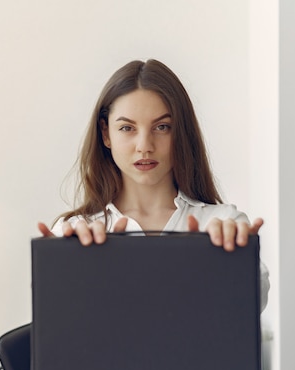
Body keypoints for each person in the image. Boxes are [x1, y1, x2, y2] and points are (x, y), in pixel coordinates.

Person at [37, 59, 269, 310]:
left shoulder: (224, 225)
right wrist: (61, 271)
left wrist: (232, 259)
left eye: (162, 127)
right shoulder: (75, 234)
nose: (144, 145)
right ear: (106, 134)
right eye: (127, 128)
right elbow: (57, 325)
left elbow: (254, 301)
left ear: (180, 132)